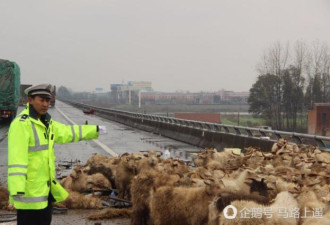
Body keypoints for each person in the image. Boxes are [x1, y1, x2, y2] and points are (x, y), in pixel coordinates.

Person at [7, 84, 107, 225]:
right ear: (30, 100)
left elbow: (69, 132)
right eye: (41, 100)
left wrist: (95, 130)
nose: (45, 104)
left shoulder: (46, 123)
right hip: (28, 194)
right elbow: (17, 160)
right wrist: (17, 190)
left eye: (47, 101)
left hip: (45, 192)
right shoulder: (21, 124)